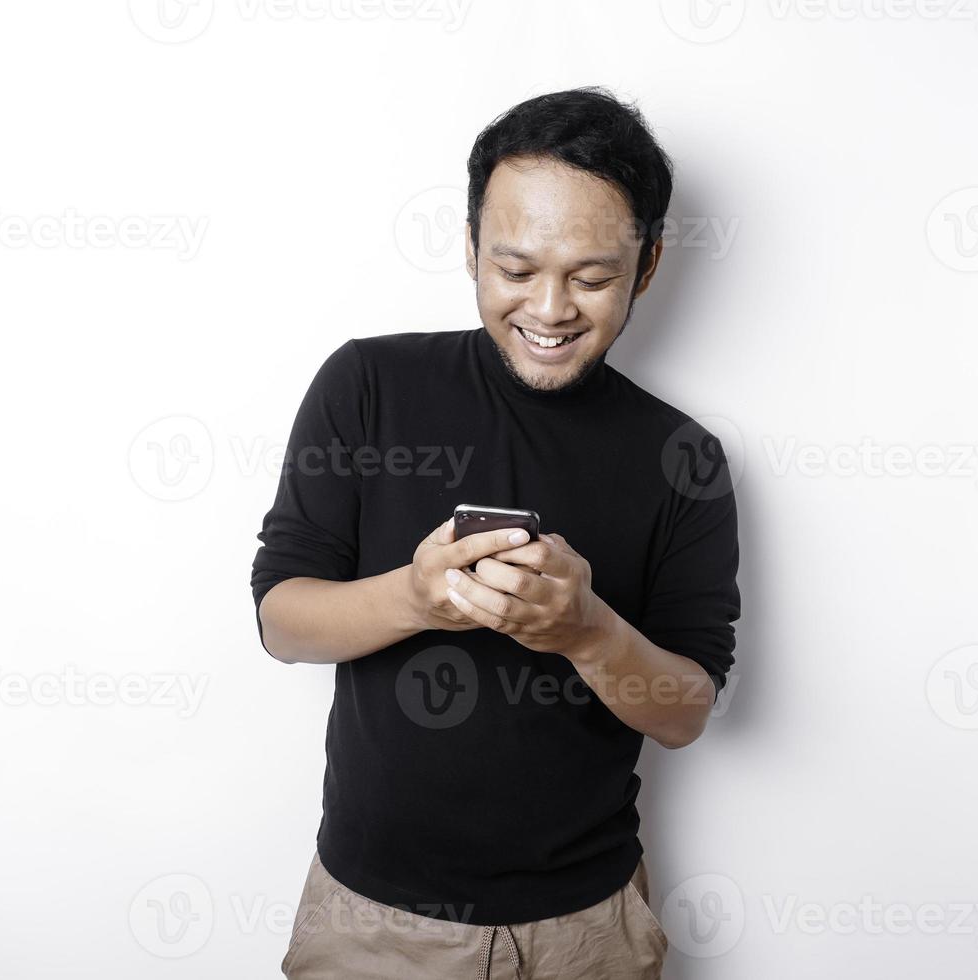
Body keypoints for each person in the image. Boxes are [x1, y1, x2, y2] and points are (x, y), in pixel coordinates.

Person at [251, 85, 741, 979]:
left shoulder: (684, 457)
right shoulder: (367, 385)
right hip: (371, 920)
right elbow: (281, 623)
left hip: (588, 927)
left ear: (650, 264)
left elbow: (685, 714)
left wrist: (586, 631)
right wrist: (416, 595)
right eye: (514, 270)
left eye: (591, 277)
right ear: (471, 245)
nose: (550, 309)